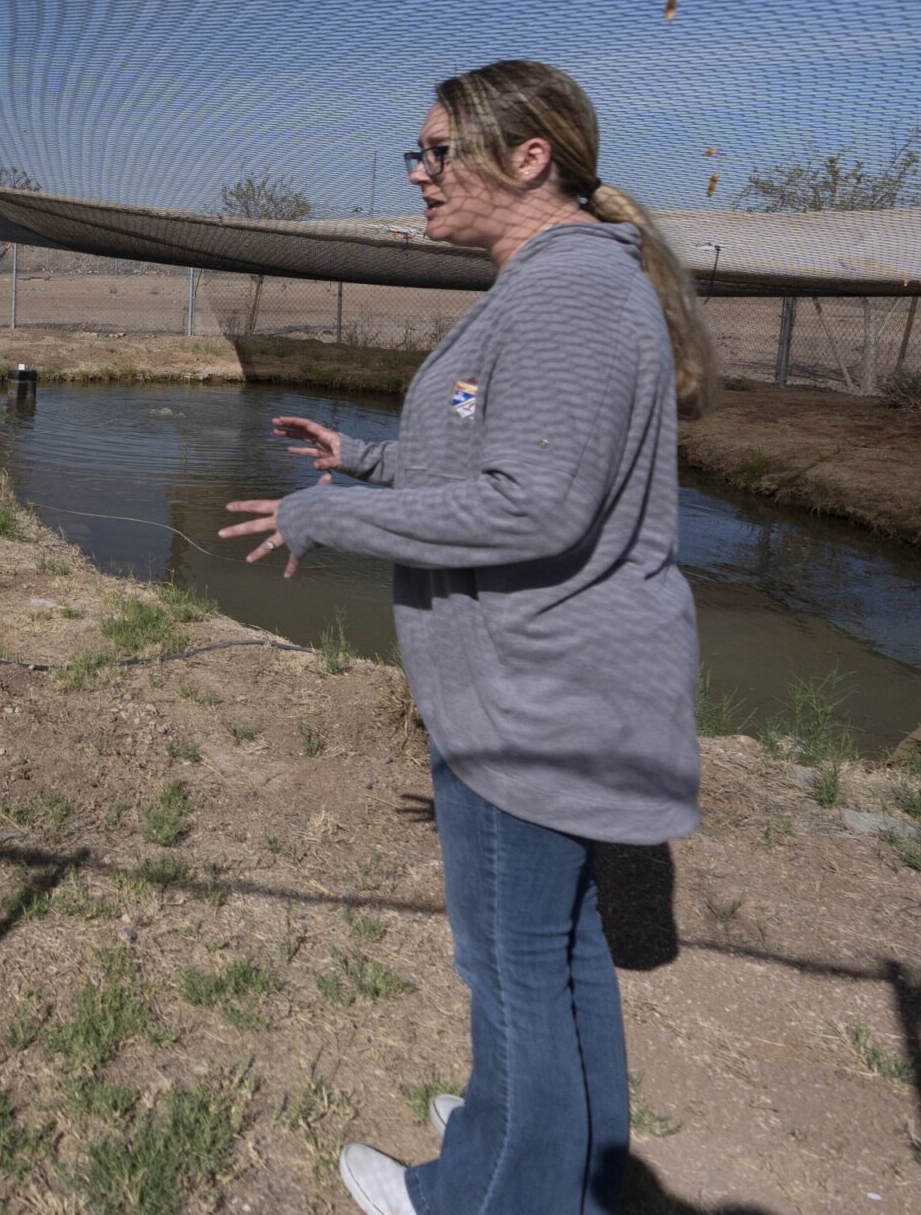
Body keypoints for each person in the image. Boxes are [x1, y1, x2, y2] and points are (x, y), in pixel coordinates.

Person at [219, 59, 716, 1215]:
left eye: (439, 150)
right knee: (553, 953)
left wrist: (332, 513)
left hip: (533, 693)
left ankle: (487, 1191)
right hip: (541, 686)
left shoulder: (568, 293)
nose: (419, 172)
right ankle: (536, 1145)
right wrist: (369, 459)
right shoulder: (554, 280)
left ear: (527, 157)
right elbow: (509, 460)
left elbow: (537, 506)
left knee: (510, 970)